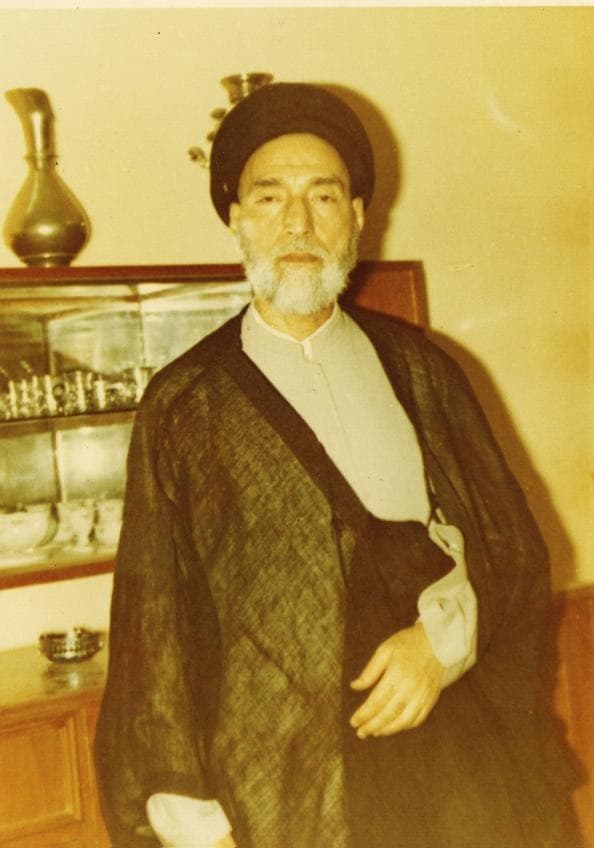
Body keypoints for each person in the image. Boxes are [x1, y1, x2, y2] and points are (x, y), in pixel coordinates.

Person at [95, 82, 581, 848]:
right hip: (282, 786)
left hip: (450, 771)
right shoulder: (185, 404)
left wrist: (440, 645)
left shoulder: (422, 370)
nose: (298, 223)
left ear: (356, 217)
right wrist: (192, 823)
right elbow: (156, 625)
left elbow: (507, 547)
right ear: (236, 218)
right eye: (270, 198)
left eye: (323, 197)